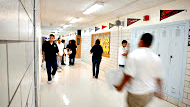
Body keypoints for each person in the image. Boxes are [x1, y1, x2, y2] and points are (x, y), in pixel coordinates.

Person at [114, 33, 163, 107]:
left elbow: (128, 76)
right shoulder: (156, 58)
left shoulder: (133, 55)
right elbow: (158, 77)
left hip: (137, 93)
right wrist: (160, 90)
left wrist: (120, 86)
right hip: (149, 93)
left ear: (141, 41)